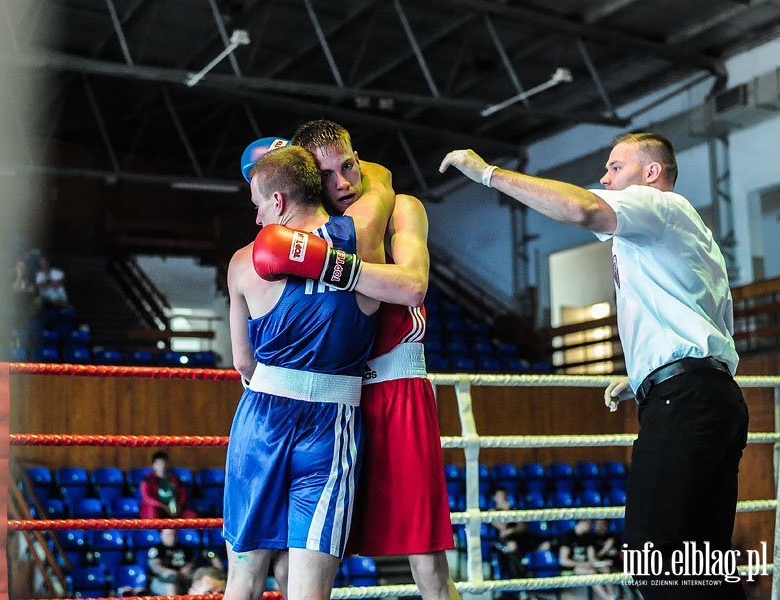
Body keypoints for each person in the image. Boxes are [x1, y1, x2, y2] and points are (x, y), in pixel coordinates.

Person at [440, 133, 748, 598]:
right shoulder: (687, 235)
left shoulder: (657, 205)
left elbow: (583, 209)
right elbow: (709, 326)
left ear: (651, 173)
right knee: (701, 560)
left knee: (654, 556)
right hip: (711, 395)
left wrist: (489, 175)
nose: (605, 178)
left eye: (615, 167)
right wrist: (645, 371)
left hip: (685, 401)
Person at [288, 119, 459, 600]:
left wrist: (327, 262)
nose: (343, 182)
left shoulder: (402, 207)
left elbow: (413, 284)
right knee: (307, 547)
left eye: (349, 166)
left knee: (426, 557)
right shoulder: (312, 227)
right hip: (333, 401)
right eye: (327, 175)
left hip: (396, 389)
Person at [223, 143, 393, 600]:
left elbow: (242, 363)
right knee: (309, 590)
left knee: (243, 579)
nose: (258, 219)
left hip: (261, 418)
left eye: (259, 205)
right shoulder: (363, 234)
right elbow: (381, 178)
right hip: (330, 424)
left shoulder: (243, 262)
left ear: (276, 201)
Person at [556, 520, 616, 600]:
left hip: (587, 565)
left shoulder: (588, 537)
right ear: (581, 522)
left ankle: (613, 596)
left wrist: (602, 563)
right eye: (589, 523)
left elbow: (592, 558)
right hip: (572, 568)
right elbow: (564, 561)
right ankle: (607, 598)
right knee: (592, 573)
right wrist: (584, 564)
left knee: (606, 569)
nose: (591, 526)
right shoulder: (568, 536)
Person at [139, 450, 196, 519]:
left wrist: (179, 506)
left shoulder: (176, 479)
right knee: (153, 513)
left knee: (192, 516)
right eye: (158, 464)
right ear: (153, 466)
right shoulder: (147, 480)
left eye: (164, 463)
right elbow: (147, 498)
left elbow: (183, 495)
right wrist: (163, 506)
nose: (161, 466)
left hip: (174, 508)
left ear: (168, 464)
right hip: (157, 509)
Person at [147, 528, 196, 596]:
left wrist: (187, 568)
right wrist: (168, 572)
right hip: (163, 580)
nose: (172, 538)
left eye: (174, 535)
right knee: (172, 586)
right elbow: (155, 566)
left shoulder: (185, 548)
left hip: (183, 579)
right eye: (169, 535)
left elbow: (191, 562)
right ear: (161, 535)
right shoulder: (156, 549)